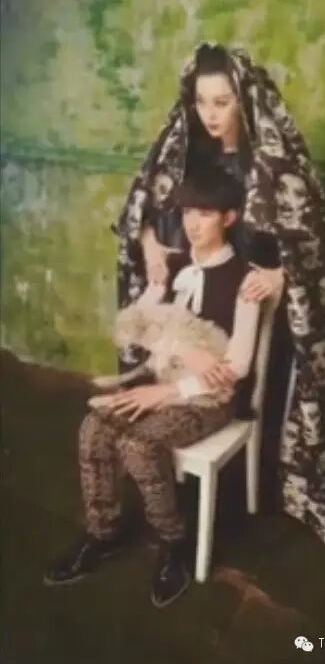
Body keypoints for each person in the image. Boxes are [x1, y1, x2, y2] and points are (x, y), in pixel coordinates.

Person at [114, 42, 325, 544]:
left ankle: (253, 492)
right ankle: (161, 472)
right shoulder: (187, 153)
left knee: (248, 377)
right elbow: (142, 209)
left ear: (244, 100)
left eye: (222, 102)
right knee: (178, 356)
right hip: (198, 285)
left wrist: (282, 277)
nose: (210, 114)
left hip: (248, 291)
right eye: (201, 102)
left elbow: (311, 244)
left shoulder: (274, 163)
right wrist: (150, 245)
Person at [44, 166, 262, 608]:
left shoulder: (245, 280)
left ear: (230, 217)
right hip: (161, 379)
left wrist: (170, 389)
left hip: (208, 398)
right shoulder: (171, 265)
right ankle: (103, 533)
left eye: (205, 213)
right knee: (93, 429)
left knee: (140, 444)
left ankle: (173, 543)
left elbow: (235, 366)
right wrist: (176, 342)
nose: (193, 223)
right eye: (187, 212)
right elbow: (131, 330)